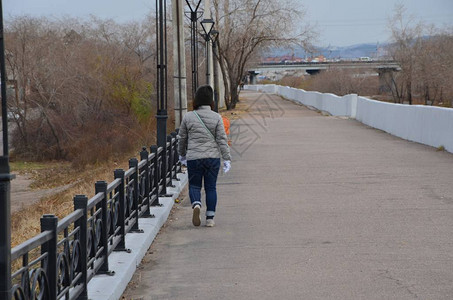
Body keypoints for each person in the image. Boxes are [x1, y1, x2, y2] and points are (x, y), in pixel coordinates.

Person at [178, 85, 232, 227]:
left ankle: (196, 204)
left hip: (194, 158)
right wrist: (227, 158)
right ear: (211, 102)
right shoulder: (217, 117)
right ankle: (210, 218)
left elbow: (182, 138)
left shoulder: (188, 117)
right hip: (212, 158)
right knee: (211, 187)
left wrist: (181, 155)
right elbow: (222, 139)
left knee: (195, 186)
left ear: (196, 100)